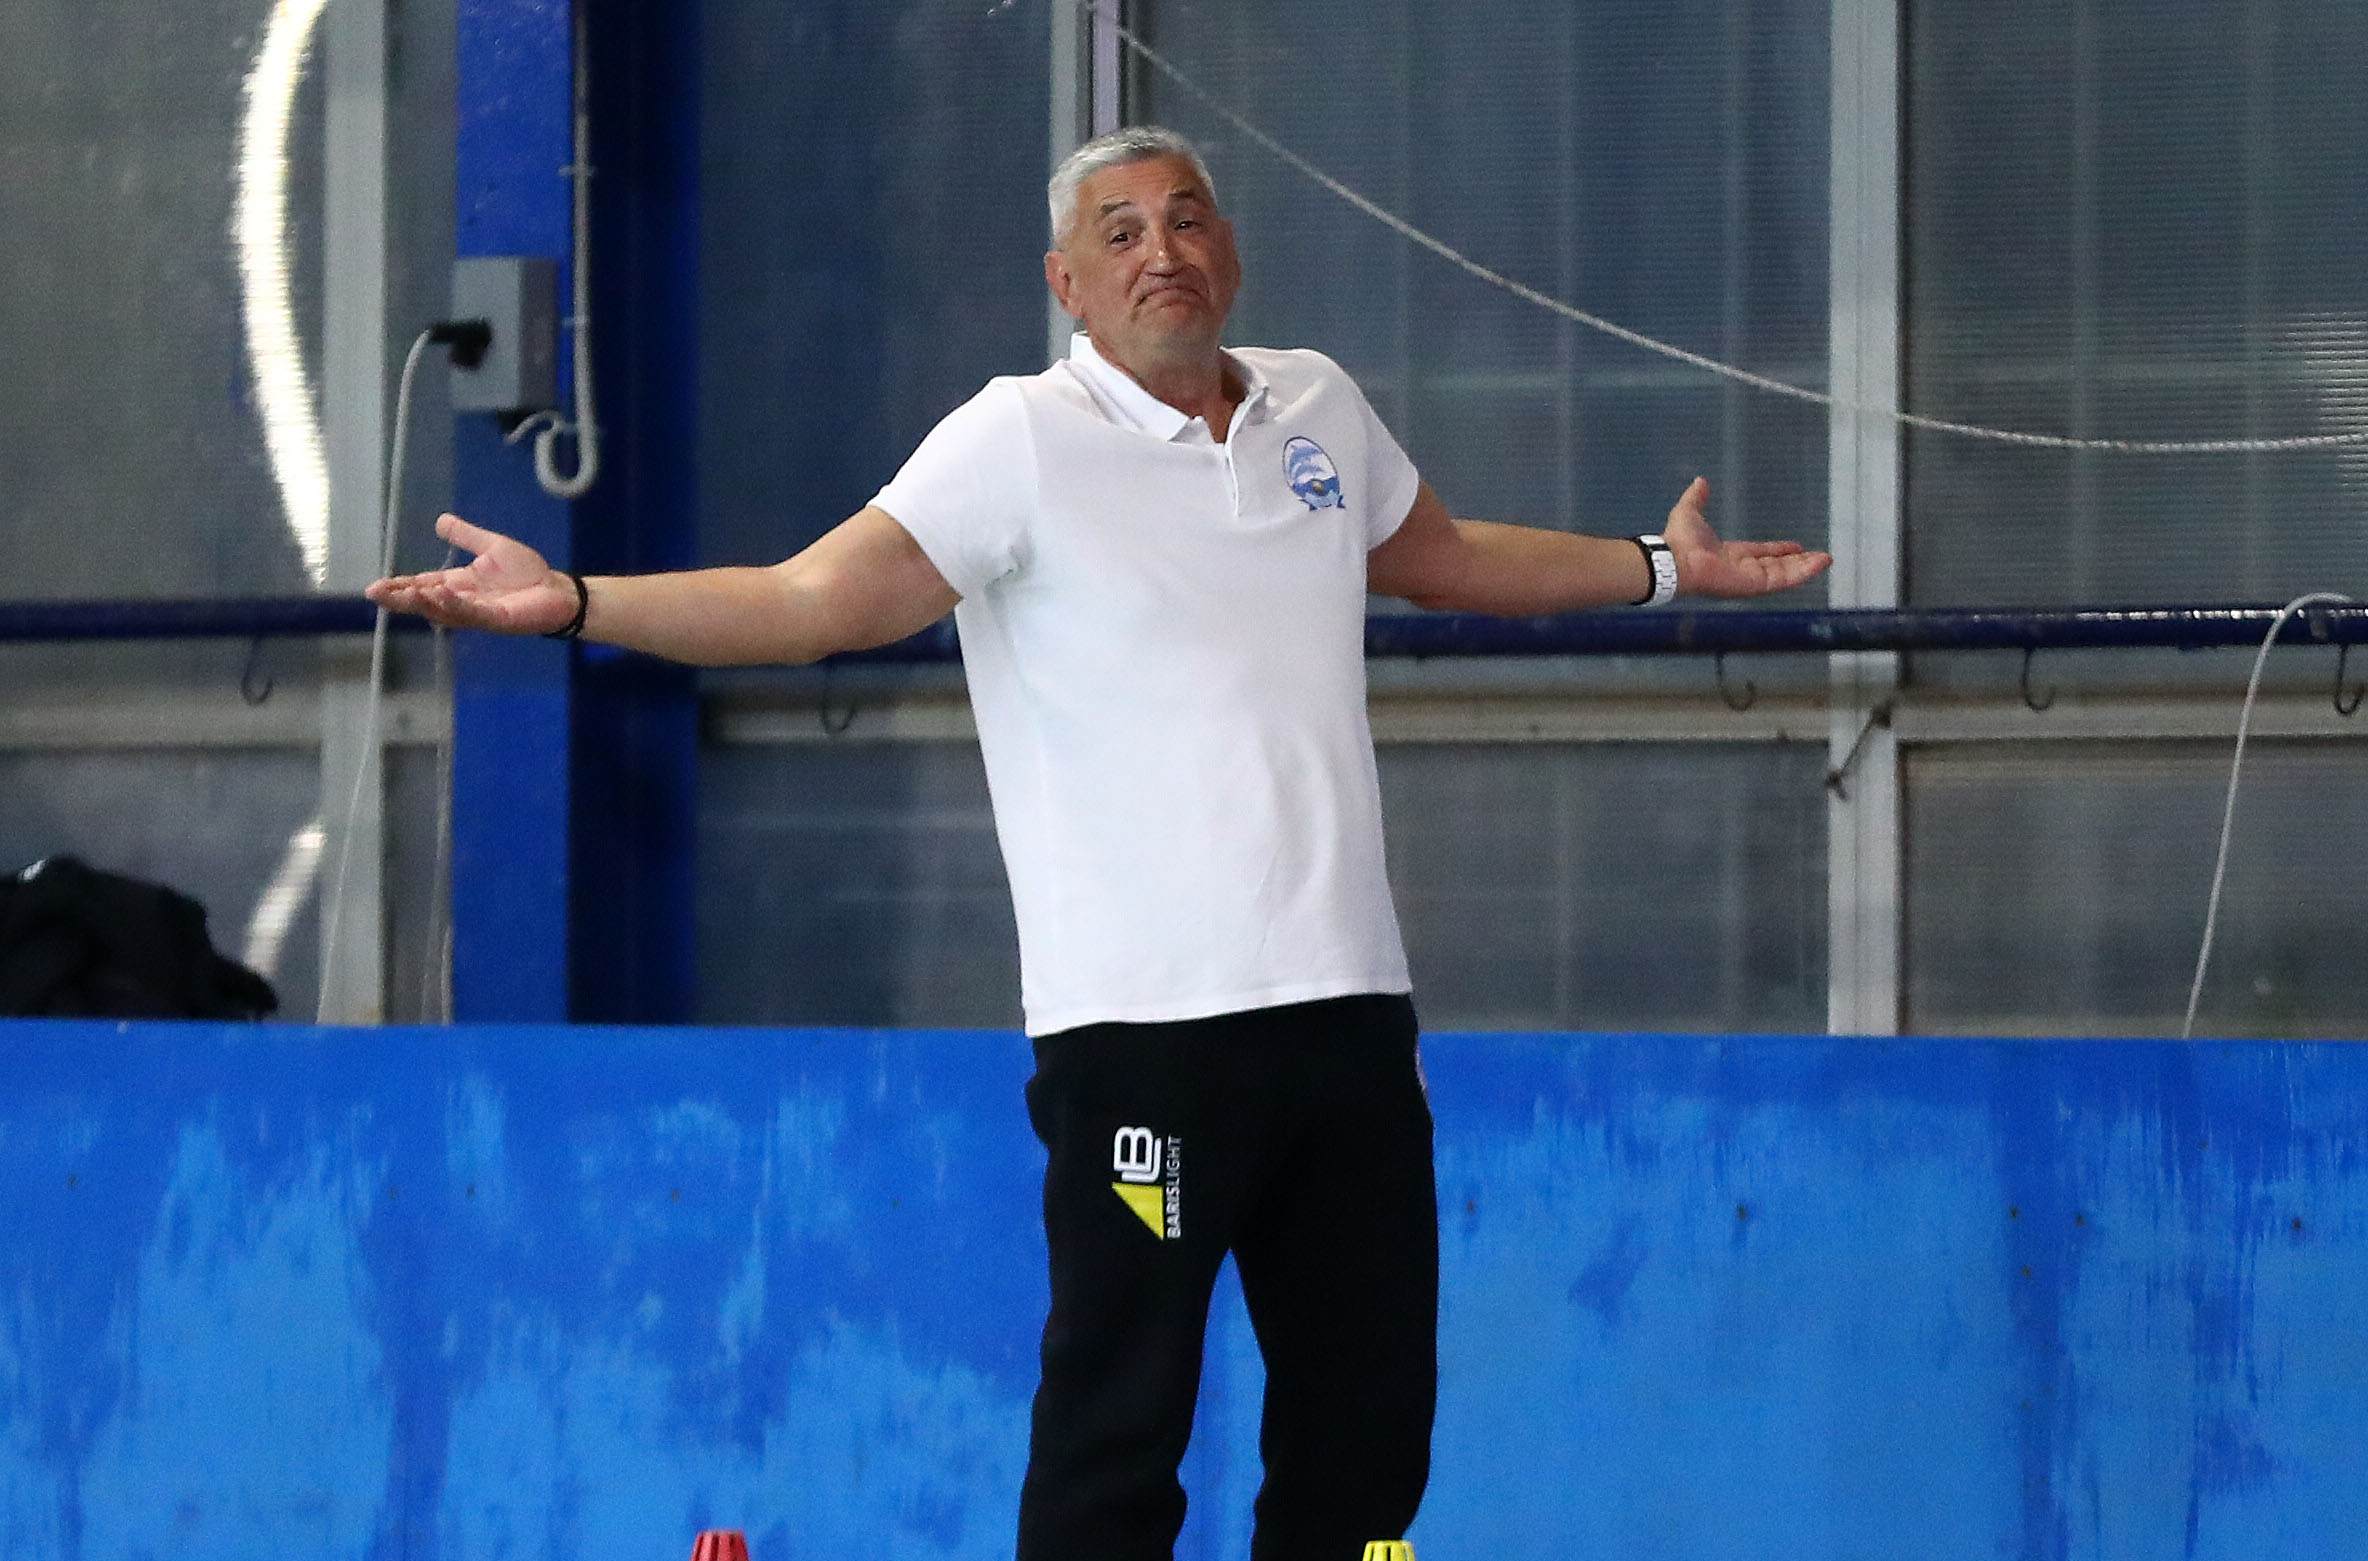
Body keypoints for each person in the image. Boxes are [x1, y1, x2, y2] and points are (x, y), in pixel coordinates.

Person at [370, 125, 1830, 1561]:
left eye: (1186, 219)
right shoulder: (1016, 439)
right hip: (1142, 1035)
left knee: (1369, 1434)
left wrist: (1658, 568)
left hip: (1348, 1015)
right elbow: (809, 601)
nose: (1161, 251)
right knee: (1117, 1436)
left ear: (1231, 252)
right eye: (1119, 233)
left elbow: (1442, 557)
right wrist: (574, 600)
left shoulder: (1318, 406)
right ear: (1066, 283)